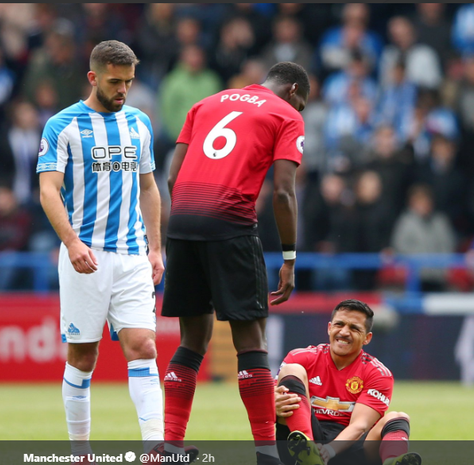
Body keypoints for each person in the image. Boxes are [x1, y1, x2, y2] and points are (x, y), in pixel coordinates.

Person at [160, 62, 310, 465]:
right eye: (302, 102)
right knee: (251, 342)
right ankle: (266, 453)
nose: (301, 111)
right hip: (230, 223)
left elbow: (172, 180)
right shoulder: (286, 114)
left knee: (191, 341)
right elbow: (282, 193)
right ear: (293, 89)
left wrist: (189, 224)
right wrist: (290, 259)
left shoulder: (205, 103)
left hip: (182, 223)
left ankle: (170, 446)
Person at [36, 40, 165, 456]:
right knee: (82, 356)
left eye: (128, 81)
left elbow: (149, 188)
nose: (123, 89)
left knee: (144, 345)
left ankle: (155, 448)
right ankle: (80, 452)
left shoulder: (140, 123)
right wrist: (71, 242)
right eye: (115, 82)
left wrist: (156, 248)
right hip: (85, 256)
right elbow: (48, 191)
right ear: (93, 78)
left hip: (132, 255)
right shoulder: (62, 126)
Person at [274, 299, 420, 465]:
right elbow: (268, 406)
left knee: (398, 417)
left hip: (348, 446)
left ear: (367, 338)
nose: (344, 332)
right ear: (329, 328)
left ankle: (393, 461)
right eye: (339, 324)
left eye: (354, 328)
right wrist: (274, 405)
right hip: (302, 441)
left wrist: (328, 451)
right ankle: (309, 453)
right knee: (292, 370)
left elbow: (360, 425)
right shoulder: (299, 358)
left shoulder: (378, 373)